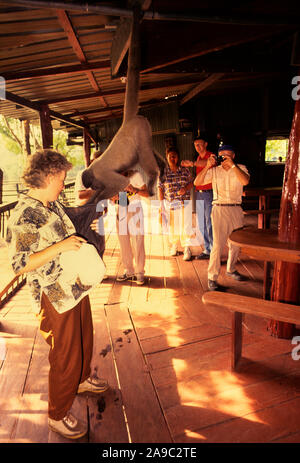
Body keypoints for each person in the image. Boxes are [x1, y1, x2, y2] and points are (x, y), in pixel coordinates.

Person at [5, 149, 109, 440]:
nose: (64, 184)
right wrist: (60, 248)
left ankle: (81, 379)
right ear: (48, 176)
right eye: (62, 179)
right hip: (53, 294)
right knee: (65, 353)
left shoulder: (51, 204)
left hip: (73, 284)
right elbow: (20, 263)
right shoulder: (25, 213)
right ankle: (57, 414)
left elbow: (69, 227)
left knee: (84, 337)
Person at [194, 145, 250, 291]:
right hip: (219, 208)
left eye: (228, 155)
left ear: (234, 155)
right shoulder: (214, 171)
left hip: (236, 209)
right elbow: (197, 182)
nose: (224, 157)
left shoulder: (241, 168)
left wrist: (233, 166)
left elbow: (245, 181)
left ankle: (231, 269)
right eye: (222, 155)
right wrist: (207, 166)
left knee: (236, 244)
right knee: (217, 245)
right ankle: (212, 278)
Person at [158, 147, 195, 261]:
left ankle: (187, 248)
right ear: (167, 158)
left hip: (185, 202)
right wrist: (161, 204)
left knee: (186, 225)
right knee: (173, 226)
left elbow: (192, 182)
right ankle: (174, 245)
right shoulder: (163, 172)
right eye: (170, 156)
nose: (173, 158)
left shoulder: (184, 170)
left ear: (178, 157)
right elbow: (160, 188)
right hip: (171, 203)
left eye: (175, 156)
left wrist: (185, 188)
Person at [113, 169, 149, 285]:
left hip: (135, 206)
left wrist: (134, 190)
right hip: (122, 205)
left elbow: (147, 193)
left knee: (138, 240)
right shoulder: (113, 175)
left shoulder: (135, 174)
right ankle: (129, 271)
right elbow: (111, 195)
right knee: (124, 241)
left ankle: (139, 273)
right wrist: (112, 198)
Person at [181, 135, 214, 259]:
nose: (198, 147)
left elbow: (210, 163)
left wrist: (192, 163)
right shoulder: (199, 158)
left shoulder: (210, 156)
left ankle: (213, 250)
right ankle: (207, 249)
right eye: (195, 145)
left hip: (209, 193)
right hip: (199, 192)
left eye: (200, 144)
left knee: (209, 222)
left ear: (205, 144)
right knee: (201, 223)